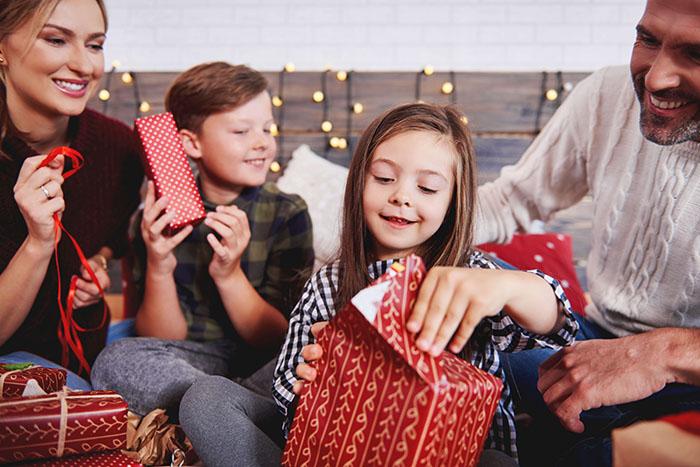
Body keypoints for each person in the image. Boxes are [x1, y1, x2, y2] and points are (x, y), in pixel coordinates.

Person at [272, 102, 579, 465]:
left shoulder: (469, 275)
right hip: (357, 451)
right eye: (384, 178)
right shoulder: (330, 284)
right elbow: (286, 384)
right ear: (358, 183)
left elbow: (557, 330)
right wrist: (310, 383)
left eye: (428, 188)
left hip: (467, 454)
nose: (402, 196)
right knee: (214, 404)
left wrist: (509, 288)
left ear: (453, 202)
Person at [476, 0, 700, 465]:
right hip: (587, 342)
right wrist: (393, 222)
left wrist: (659, 353)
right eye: (649, 40)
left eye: (696, 55)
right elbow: (512, 200)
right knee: (464, 278)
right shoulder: (606, 95)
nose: (656, 79)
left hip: (690, 390)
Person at [91, 62, 314, 443]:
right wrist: (160, 264)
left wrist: (229, 276)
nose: (262, 142)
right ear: (191, 144)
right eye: (242, 131)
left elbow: (277, 338)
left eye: (267, 128)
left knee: (315, 356)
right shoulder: (156, 220)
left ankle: (216, 408)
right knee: (115, 359)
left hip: (263, 363)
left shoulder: (287, 212)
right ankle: (229, 407)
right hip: (194, 358)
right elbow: (159, 335)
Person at [0, 0, 143, 389]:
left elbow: (114, 238)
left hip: (90, 355)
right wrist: (38, 243)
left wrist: (98, 261)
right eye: (56, 40)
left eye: (95, 45)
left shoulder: (121, 147)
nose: (84, 65)